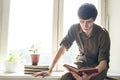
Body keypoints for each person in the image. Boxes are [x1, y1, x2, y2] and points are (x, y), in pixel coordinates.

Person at [33, 3, 110, 80]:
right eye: (82, 21)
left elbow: (103, 63)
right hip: (81, 66)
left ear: (94, 20)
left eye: (88, 22)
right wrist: (50, 70)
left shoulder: (103, 34)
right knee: (64, 78)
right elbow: (63, 48)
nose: (85, 25)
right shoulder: (74, 28)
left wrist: (89, 76)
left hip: (98, 69)